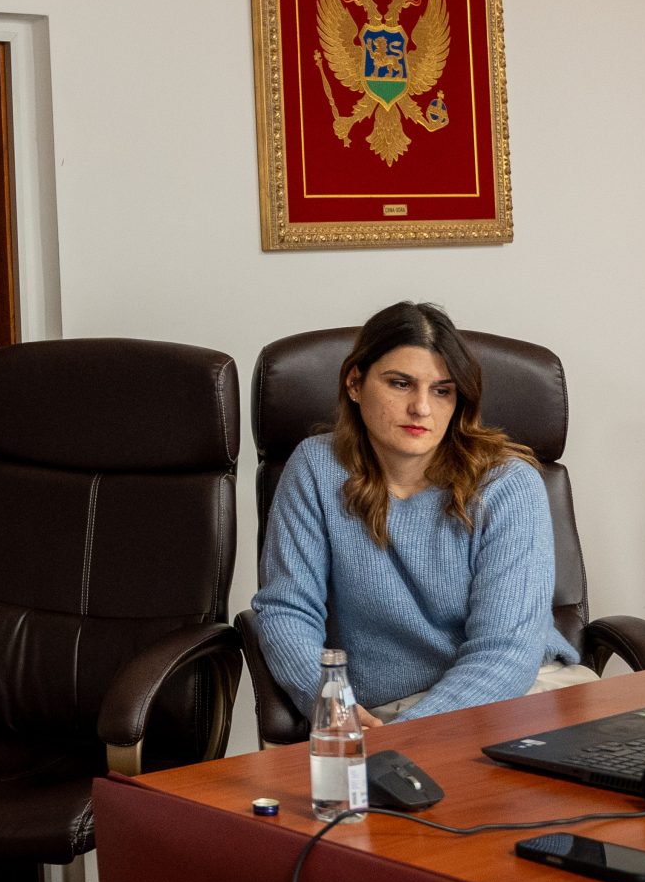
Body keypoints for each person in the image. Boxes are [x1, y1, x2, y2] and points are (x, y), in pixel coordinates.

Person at [249, 301, 588, 725]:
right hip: (386, 711)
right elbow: (287, 610)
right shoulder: (316, 467)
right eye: (400, 384)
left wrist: (406, 737)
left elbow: (507, 651)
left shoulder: (508, 483)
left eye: (442, 390)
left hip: (520, 690)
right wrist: (331, 705)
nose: (422, 409)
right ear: (355, 383)